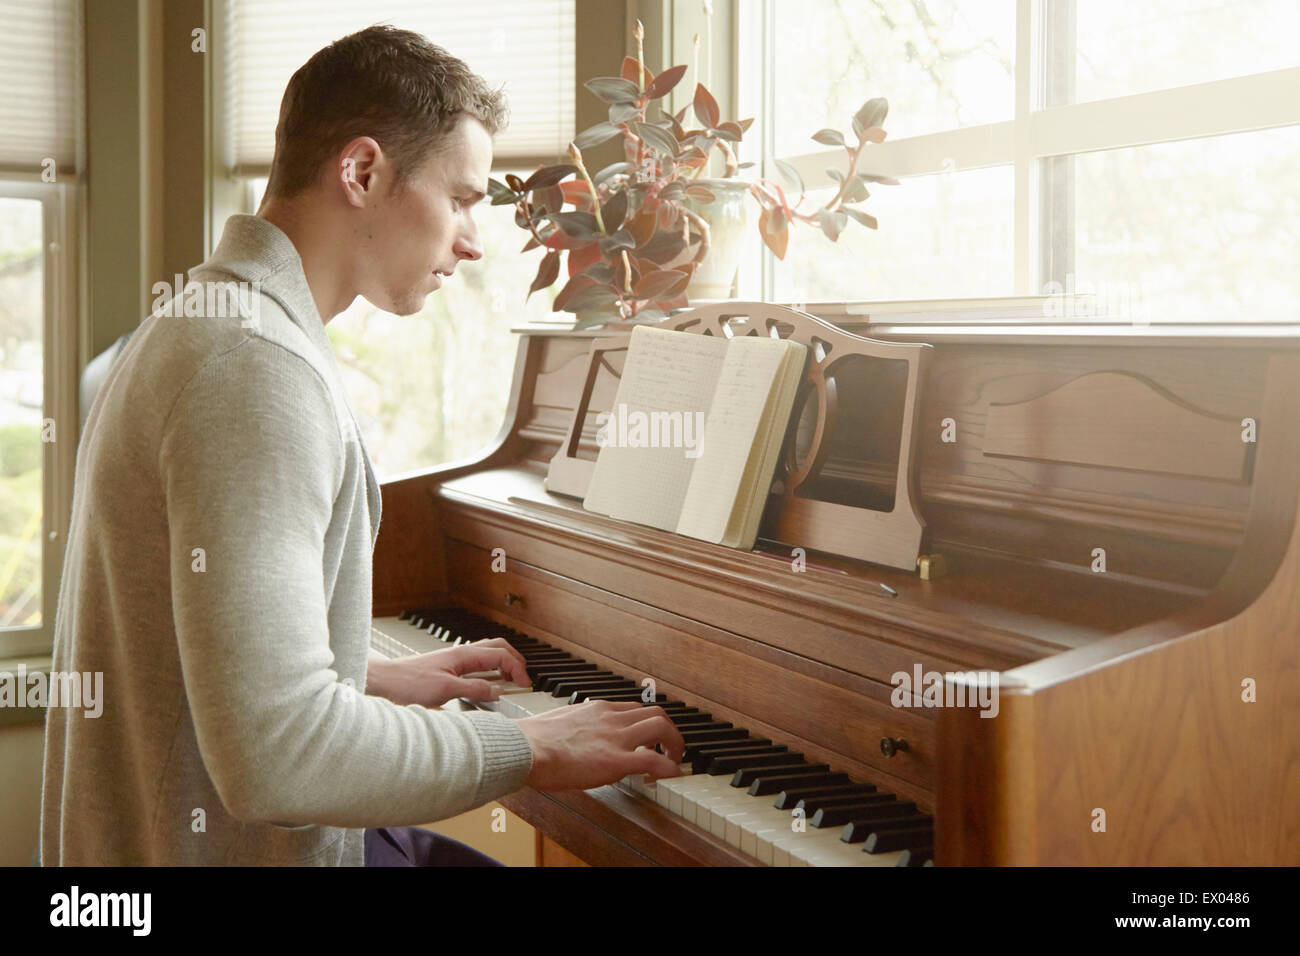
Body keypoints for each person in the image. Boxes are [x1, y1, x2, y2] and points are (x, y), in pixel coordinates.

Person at [40, 24, 684, 867]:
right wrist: (534, 746)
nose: (472, 240)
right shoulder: (253, 369)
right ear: (363, 172)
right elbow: (279, 756)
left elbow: (191, 643)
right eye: (461, 198)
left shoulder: (210, 319)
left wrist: (364, 674)